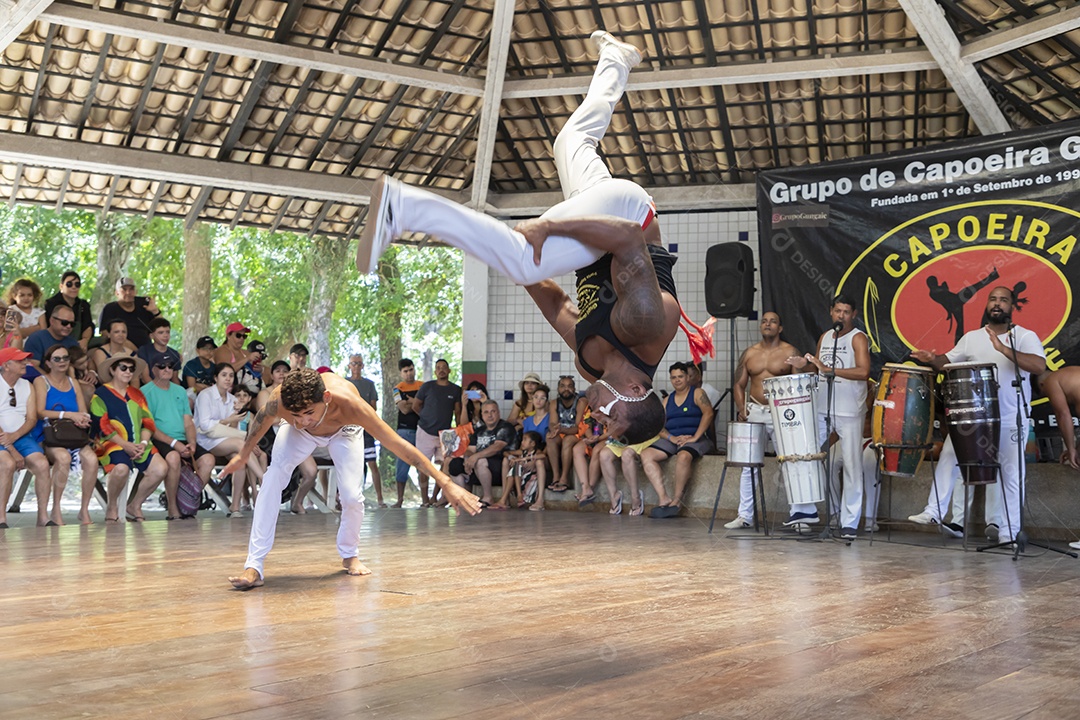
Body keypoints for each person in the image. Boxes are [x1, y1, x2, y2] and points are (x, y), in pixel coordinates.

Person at [357, 31, 680, 446]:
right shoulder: (647, 325)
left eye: (601, 426)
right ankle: (402, 208)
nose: (596, 416)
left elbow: (558, 303)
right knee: (524, 257)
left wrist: (510, 259)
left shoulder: (590, 364)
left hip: (601, 225)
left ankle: (617, 59)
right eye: (610, 419)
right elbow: (629, 239)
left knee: (570, 142)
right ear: (636, 392)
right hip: (629, 214)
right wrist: (547, 232)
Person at [226, 368, 482, 589]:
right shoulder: (281, 401)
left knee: (350, 495)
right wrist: (243, 455)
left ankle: (349, 555)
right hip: (296, 437)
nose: (303, 420)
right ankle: (254, 566)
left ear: (325, 398)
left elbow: (399, 445)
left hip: (343, 432)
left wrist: (445, 481)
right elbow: (260, 421)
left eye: (308, 412)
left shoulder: (351, 405)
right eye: (295, 414)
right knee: (271, 480)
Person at [908, 286, 1046, 546]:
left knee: (1011, 475)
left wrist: (1003, 349)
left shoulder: (1024, 336)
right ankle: (934, 512)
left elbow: (1039, 365)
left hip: (1009, 417)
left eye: (1003, 300)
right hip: (974, 419)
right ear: (987, 305)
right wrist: (932, 359)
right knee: (949, 455)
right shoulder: (972, 337)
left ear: (1012, 306)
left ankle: (1008, 532)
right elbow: (945, 361)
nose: (997, 304)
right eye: (993, 299)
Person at [785, 295, 871, 539]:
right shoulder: (825, 337)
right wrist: (804, 363)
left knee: (853, 465)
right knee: (806, 453)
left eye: (846, 311)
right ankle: (804, 511)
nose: (841, 316)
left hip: (850, 411)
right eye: (837, 311)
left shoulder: (858, 338)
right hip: (823, 406)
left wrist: (829, 370)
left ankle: (849, 522)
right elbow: (818, 367)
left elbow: (864, 371)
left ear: (853, 314)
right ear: (831, 312)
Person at [724, 312, 799, 529]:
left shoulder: (790, 351)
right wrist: (741, 407)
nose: (768, 324)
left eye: (773, 321)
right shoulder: (750, 353)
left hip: (781, 412)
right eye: (764, 321)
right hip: (754, 410)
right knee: (748, 465)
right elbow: (738, 384)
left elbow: (799, 382)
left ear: (780, 327)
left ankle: (798, 515)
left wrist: (792, 412)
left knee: (789, 462)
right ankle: (745, 515)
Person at [91, 355, 169, 522]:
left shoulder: (137, 394)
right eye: (123, 368)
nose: (128, 372)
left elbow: (148, 423)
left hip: (139, 443)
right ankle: (112, 506)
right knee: (120, 469)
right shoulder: (100, 394)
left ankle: (135, 505)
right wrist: (125, 445)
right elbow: (102, 426)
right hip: (111, 443)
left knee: (161, 468)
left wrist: (142, 443)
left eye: (131, 369)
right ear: (112, 370)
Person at [33, 344, 99, 526]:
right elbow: (40, 412)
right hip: (50, 435)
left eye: (65, 358)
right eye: (57, 358)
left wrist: (83, 419)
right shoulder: (41, 381)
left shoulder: (73, 382)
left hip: (73, 434)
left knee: (92, 460)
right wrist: (68, 415)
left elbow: (83, 410)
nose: (62, 362)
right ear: (48, 362)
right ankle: (55, 508)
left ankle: (84, 509)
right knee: (62, 458)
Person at [640, 362, 715, 518]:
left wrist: (695, 436)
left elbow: (708, 414)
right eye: (673, 377)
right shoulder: (667, 400)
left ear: (688, 377)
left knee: (683, 456)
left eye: (680, 376)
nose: (677, 380)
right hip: (674, 439)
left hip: (697, 438)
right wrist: (671, 438)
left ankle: (677, 500)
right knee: (646, 454)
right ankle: (663, 497)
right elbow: (659, 426)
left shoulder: (697, 393)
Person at [141, 352, 210, 519]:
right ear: (153, 370)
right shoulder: (145, 391)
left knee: (208, 460)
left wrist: (192, 443)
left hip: (182, 438)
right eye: (162, 366)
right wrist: (174, 444)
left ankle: (187, 500)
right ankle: (172, 506)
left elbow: (188, 422)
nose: (167, 369)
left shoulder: (179, 390)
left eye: (171, 367)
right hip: (159, 438)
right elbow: (150, 427)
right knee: (173, 458)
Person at [194, 362, 266, 517]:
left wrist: (232, 420)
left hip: (227, 439)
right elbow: (205, 426)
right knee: (241, 443)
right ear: (215, 377)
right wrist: (229, 420)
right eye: (224, 375)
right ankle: (264, 479)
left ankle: (235, 507)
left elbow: (234, 428)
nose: (228, 379)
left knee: (239, 460)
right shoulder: (205, 395)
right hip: (205, 440)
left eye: (231, 375)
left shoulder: (233, 399)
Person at [255, 361, 318, 514]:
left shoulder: (296, 394)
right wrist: (289, 418)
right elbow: (266, 419)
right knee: (273, 472)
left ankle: (297, 502)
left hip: (295, 435)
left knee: (311, 471)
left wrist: (287, 419)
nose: (281, 374)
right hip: (269, 439)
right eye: (278, 370)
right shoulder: (264, 393)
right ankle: (265, 508)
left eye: (285, 371)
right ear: (272, 374)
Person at [0, 348, 52, 529]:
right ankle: (1, 518)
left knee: (42, 464)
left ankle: (43, 517)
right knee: (7, 464)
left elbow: (31, 419)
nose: (26, 363)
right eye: (20, 360)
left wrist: (14, 437)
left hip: (20, 436)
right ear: (6, 365)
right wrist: (11, 449)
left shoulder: (27, 385)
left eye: (26, 360)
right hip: (0, 438)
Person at [412, 358, 461, 506]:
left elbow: (458, 412)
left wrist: (458, 431)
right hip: (424, 431)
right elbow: (415, 406)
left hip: (445, 434)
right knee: (422, 467)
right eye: (438, 367)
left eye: (444, 367)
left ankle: (435, 498)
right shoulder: (427, 387)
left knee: (444, 466)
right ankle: (425, 500)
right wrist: (427, 418)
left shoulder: (455, 389)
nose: (441, 370)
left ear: (449, 371)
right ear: (435, 371)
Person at [452, 400, 515, 508]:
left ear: (498, 413)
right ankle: (463, 498)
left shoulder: (505, 427)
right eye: (486, 412)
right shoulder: (480, 430)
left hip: (499, 468)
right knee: (454, 464)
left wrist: (475, 457)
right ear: (482, 415)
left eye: (493, 411)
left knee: (479, 461)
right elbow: (471, 449)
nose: (489, 415)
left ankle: (488, 497)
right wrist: (467, 458)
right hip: (479, 468)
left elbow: (496, 447)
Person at [347, 353, 385, 507]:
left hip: (366, 429)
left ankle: (380, 499)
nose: (356, 366)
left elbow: (373, 407)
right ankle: (348, 499)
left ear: (363, 366)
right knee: (349, 465)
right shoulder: (344, 383)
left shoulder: (369, 384)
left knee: (372, 464)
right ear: (349, 366)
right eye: (353, 363)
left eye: (359, 363)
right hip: (348, 430)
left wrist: (360, 409)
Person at [546, 375, 586, 493]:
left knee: (568, 440)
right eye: (562, 386)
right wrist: (555, 429)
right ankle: (556, 477)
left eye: (570, 386)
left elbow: (577, 428)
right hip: (562, 432)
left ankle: (565, 478)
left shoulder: (580, 401)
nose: (566, 389)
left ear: (574, 389)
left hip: (577, 435)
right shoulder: (554, 403)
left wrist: (561, 430)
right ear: (558, 389)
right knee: (550, 439)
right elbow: (552, 423)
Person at [391, 357, 422, 507]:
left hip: (422, 430)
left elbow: (427, 406)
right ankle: (399, 499)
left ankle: (426, 499)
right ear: (401, 373)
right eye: (405, 371)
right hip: (404, 430)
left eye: (411, 370)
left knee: (422, 465)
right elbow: (403, 408)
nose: (409, 373)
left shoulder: (423, 386)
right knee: (401, 465)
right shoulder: (398, 388)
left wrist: (410, 400)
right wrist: (416, 401)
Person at [99, 277, 161, 348]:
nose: (128, 293)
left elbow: (163, 329)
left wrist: (155, 311)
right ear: (117, 293)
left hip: (147, 352)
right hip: (120, 351)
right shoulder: (110, 308)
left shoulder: (144, 307)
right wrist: (132, 349)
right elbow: (104, 333)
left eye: (131, 289)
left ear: (136, 292)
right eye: (124, 290)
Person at [1038, 367, 1080, 471]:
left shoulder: (1050, 380)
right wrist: (1076, 449)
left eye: (1046, 395)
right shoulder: (1070, 374)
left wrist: (1070, 448)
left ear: (1042, 385)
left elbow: (1063, 414)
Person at [495, 430, 547, 511]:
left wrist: (526, 458)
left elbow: (543, 455)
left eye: (525, 440)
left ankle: (508, 498)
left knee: (517, 465)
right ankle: (515, 496)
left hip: (529, 480)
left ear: (533, 444)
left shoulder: (536, 452)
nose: (522, 442)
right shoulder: (522, 452)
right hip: (519, 480)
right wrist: (512, 458)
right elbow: (506, 452)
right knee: (515, 464)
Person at [44, 271, 94, 348]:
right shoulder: (50, 304)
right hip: (54, 344)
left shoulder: (84, 305)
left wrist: (85, 340)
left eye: (77, 284)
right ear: (61, 286)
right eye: (69, 284)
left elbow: (88, 325)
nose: (73, 287)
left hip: (78, 345)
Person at [24, 304, 80, 372]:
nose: (68, 326)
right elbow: (33, 366)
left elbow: (80, 363)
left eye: (72, 324)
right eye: (64, 322)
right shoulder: (36, 338)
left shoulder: (73, 342)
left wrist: (91, 372)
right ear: (52, 321)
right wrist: (50, 381)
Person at [135, 317, 182, 386]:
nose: (165, 335)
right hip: (149, 390)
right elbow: (145, 377)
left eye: (168, 332)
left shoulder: (174, 354)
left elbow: (174, 379)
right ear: (151, 336)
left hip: (168, 390)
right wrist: (159, 392)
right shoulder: (144, 351)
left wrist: (177, 393)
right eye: (161, 332)